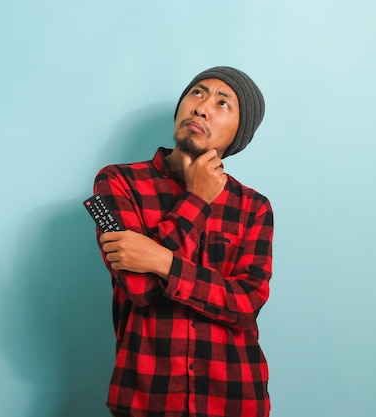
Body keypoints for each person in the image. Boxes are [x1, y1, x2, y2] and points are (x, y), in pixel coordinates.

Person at [92, 66, 273, 417]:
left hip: (235, 399)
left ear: (239, 133)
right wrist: (198, 200)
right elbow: (140, 288)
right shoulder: (116, 183)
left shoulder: (254, 207)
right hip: (146, 399)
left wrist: (161, 262)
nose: (202, 107)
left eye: (224, 103)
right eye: (198, 93)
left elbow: (246, 304)